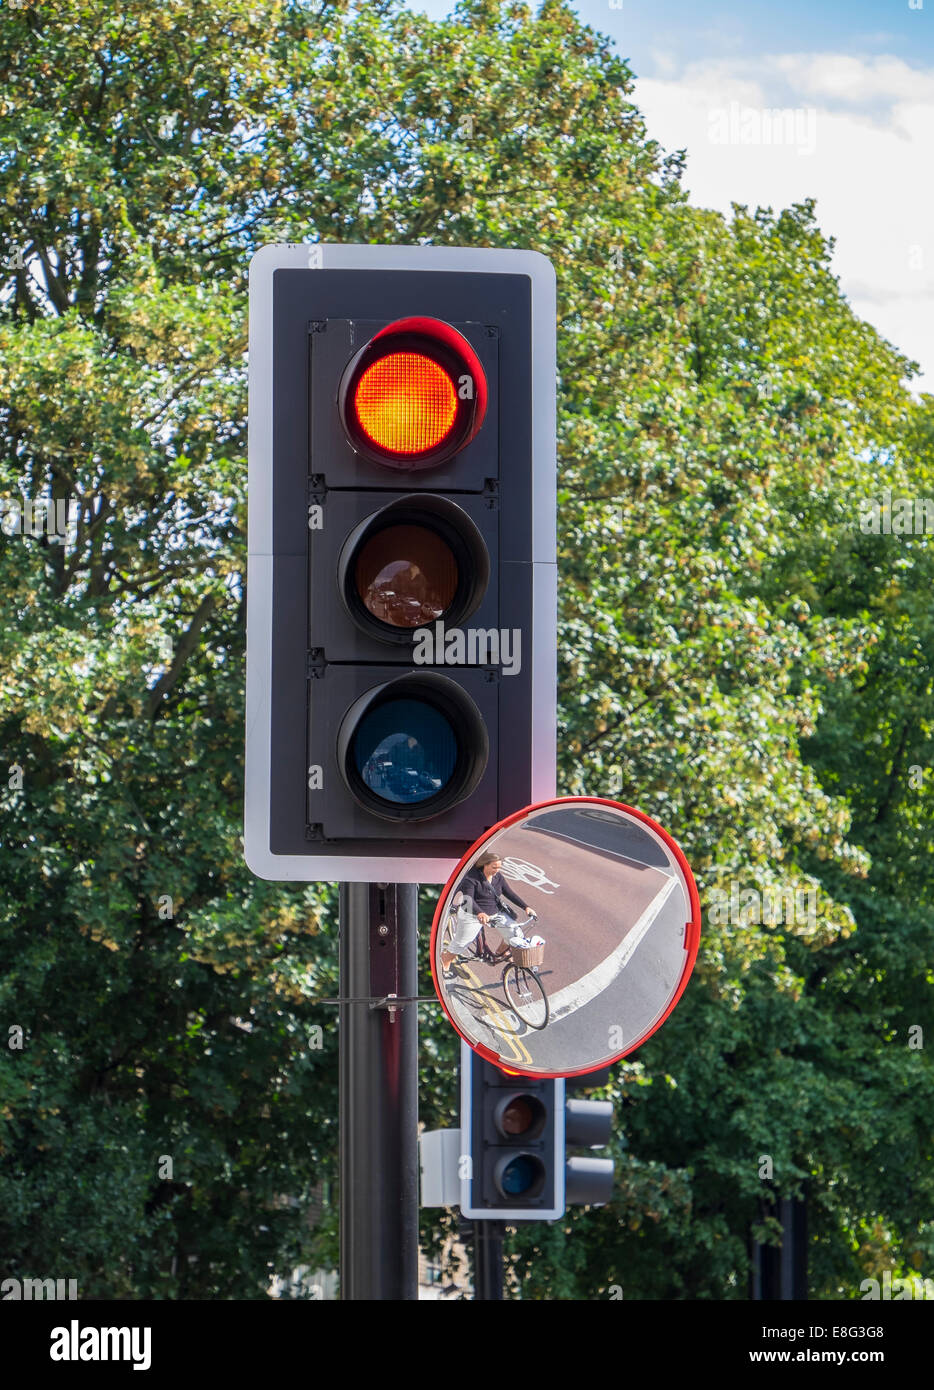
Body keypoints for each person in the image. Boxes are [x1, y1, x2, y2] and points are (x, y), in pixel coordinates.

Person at [440, 851, 539, 974]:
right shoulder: (471, 879)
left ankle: (500, 952)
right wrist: (480, 913)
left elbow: (509, 893)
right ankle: (446, 958)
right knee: (462, 942)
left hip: (495, 913)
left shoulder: (498, 877)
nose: (497, 870)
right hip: (472, 914)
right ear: (484, 865)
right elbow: (468, 900)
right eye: (494, 867)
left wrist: (526, 907)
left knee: (516, 933)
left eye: (499, 867)